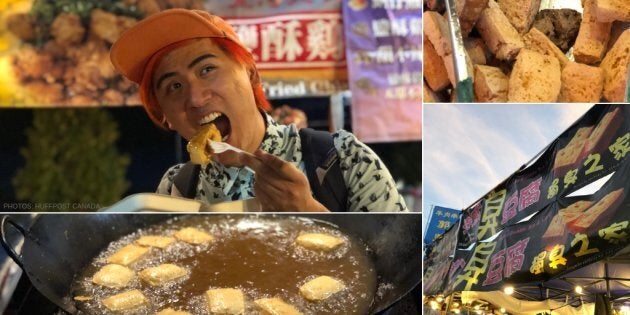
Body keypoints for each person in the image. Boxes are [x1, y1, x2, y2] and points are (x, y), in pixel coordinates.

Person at [110, 8, 408, 212]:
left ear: (251, 75)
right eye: (173, 87)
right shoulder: (176, 187)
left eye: (207, 69)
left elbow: (401, 273)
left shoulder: (341, 159)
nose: (196, 99)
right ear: (166, 118)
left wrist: (309, 211)